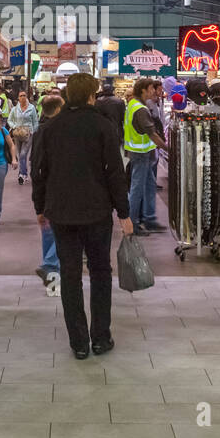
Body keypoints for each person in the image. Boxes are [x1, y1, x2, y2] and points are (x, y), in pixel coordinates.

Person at [31, 72, 132, 359]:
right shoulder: (103, 126)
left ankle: (78, 343)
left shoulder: (50, 129)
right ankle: (101, 337)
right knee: (100, 272)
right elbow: (115, 172)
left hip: (61, 213)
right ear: (91, 95)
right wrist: (123, 213)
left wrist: (39, 207)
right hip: (97, 212)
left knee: (70, 275)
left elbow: (39, 172)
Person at [125, 78, 168, 234]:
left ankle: (149, 219)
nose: (153, 91)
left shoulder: (133, 104)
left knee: (149, 186)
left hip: (143, 153)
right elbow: (152, 135)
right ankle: (133, 224)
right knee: (137, 189)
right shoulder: (140, 109)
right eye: (150, 89)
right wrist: (170, 150)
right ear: (143, 90)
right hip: (141, 154)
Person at [31, 93, 64, 296]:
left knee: (48, 235)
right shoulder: (58, 133)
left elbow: (36, 170)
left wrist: (38, 204)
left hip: (46, 194)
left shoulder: (40, 132)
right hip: (59, 193)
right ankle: (51, 266)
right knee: (62, 234)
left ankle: (53, 286)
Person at [6, 90, 40, 185]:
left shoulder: (31, 108)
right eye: (21, 96)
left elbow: (35, 121)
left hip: (28, 134)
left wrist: (33, 131)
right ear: (18, 98)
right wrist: (14, 126)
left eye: (24, 95)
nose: (23, 97)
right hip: (18, 134)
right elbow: (10, 120)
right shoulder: (15, 109)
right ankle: (23, 173)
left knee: (23, 154)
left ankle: (22, 174)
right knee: (20, 153)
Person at [95, 79, 126, 145]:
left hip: (101, 131)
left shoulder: (98, 101)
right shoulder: (119, 101)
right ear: (112, 90)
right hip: (116, 130)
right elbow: (123, 117)